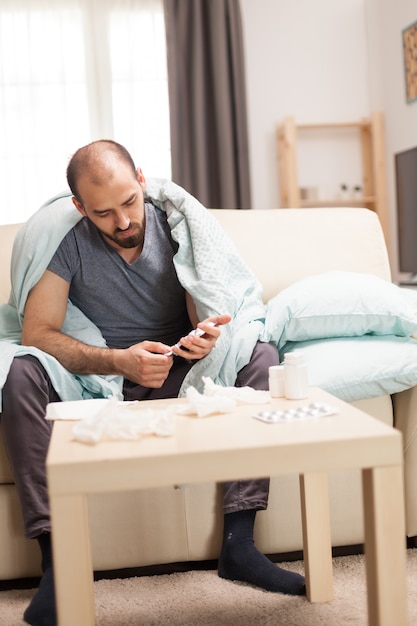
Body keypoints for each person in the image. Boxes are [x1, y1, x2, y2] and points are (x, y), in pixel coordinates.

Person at [1, 140, 305, 626]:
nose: (123, 222)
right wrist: (119, 362)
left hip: (181, 371)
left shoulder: (175, 224)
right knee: (18, 374)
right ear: (79, 207)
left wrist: (205, 340)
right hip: (102, 376)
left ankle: (240, 545)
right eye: (103, 213)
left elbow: (206, 303)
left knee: (260, 355)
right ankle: (58, 565)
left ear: (142, 180)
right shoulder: (66, 240)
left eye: (129, 202)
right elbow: (38, 332)